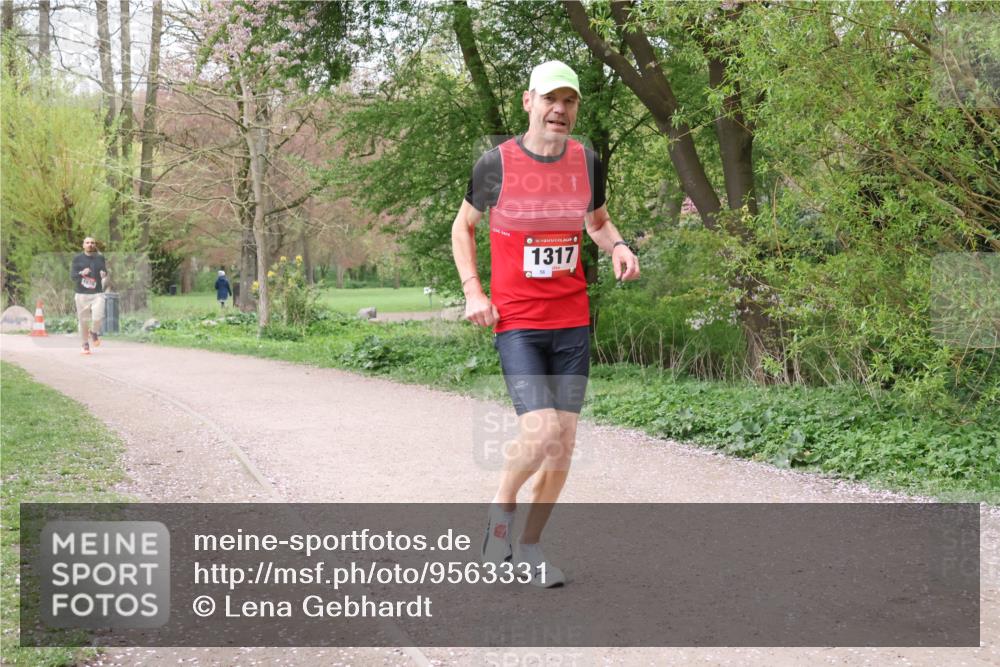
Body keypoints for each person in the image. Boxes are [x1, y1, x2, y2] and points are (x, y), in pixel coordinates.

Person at [451, 60, 640, 587]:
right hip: (518, 321)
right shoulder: (497, 164)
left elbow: (597, 224)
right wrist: (473, 291)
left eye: (570, 100)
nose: (560, 109)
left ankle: (529, 548)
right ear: (528, 101)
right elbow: (463, 228)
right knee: (540, 431)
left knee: (563, 443)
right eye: (550, 98)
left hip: (571, 320)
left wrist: (619, 246)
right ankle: (500, 512)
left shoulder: (587, 162)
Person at [71, 237, 109, 355]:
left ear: (94, 245)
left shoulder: (100, 257)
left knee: (98, 316)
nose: (90, 244)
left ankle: (93, 332)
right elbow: (73, 276)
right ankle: (85, 344)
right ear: (83, 245)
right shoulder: (77, 259)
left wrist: (104, 274)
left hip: (97, 293)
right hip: (82, 294)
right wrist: (81, 273)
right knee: (83, 321)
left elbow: (104, 271)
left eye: (92, 243)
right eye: (87, 243)